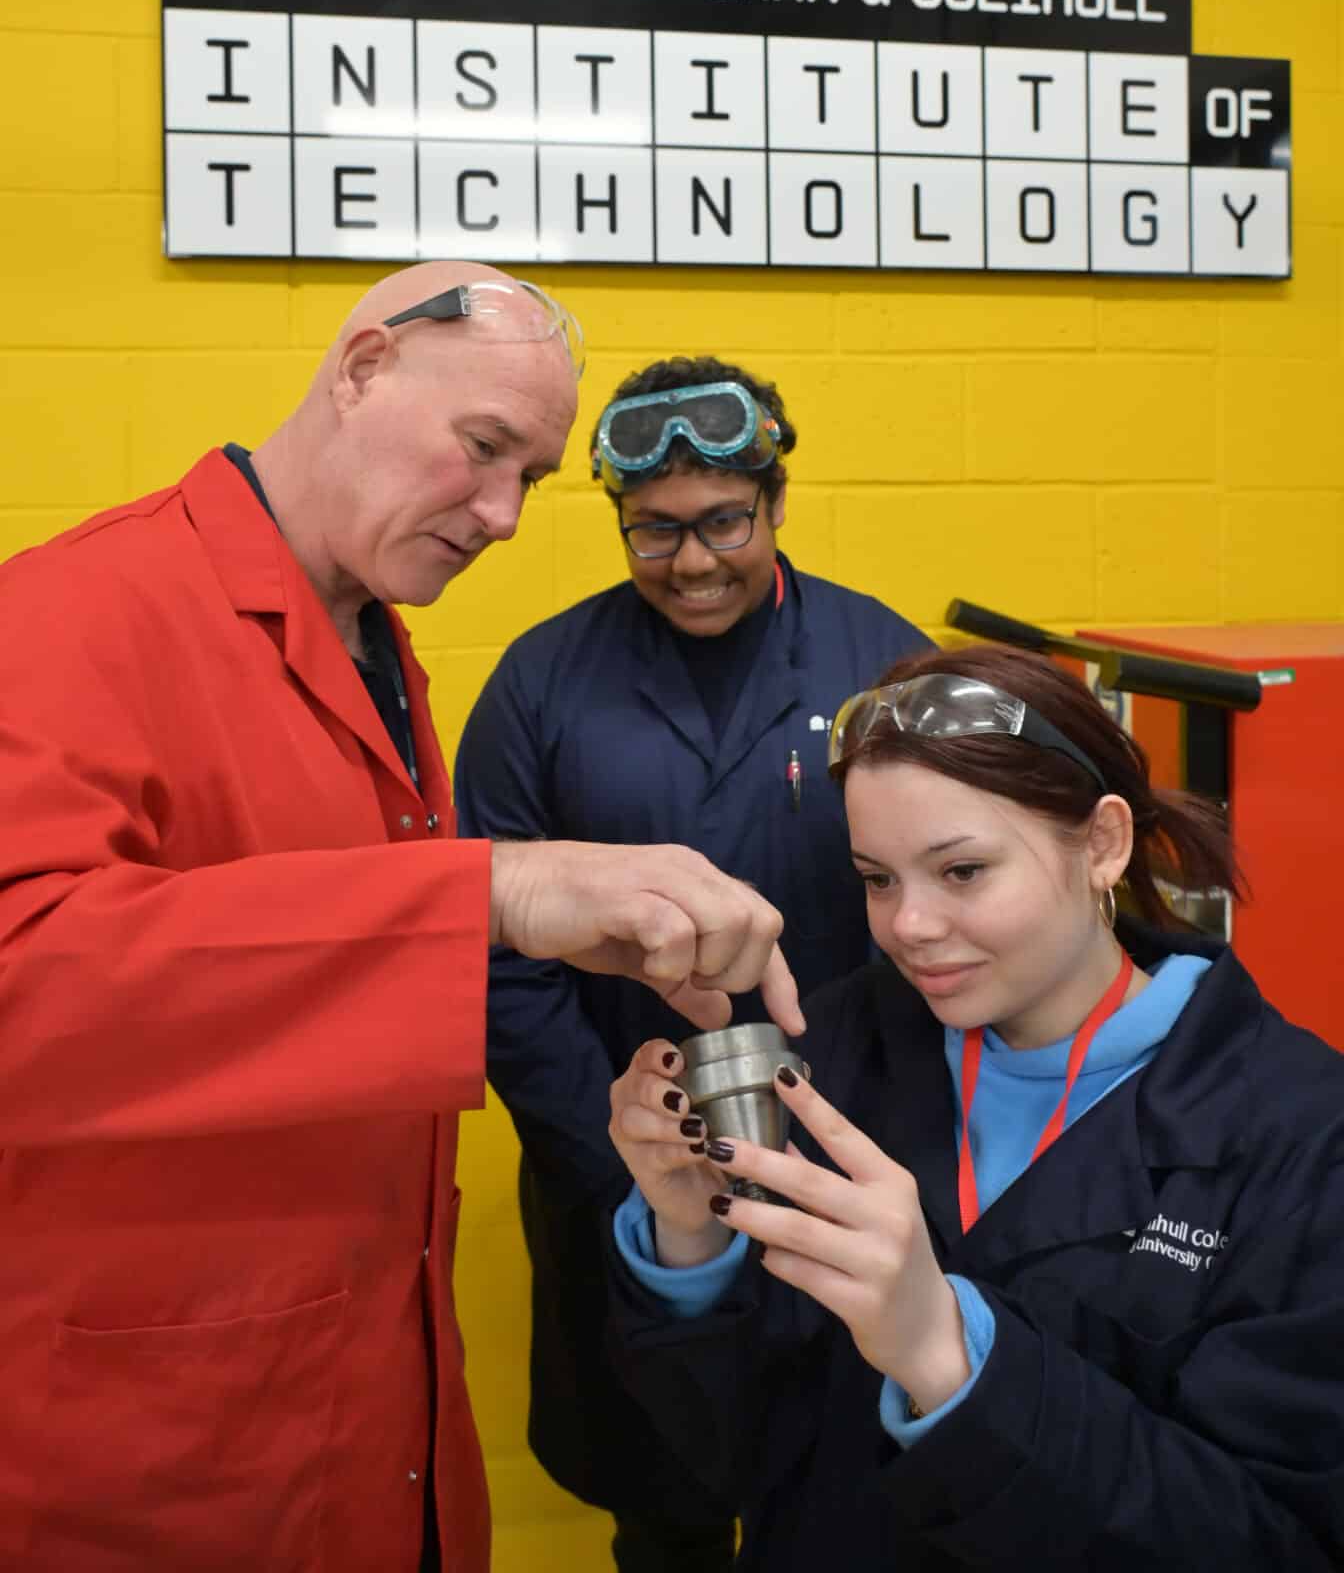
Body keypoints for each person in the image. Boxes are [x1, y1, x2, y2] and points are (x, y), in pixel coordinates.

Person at [0, 266, 802, 1573]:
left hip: (365, 1412)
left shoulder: (369, 643)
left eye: (531, 480)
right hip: (151, 1445)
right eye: (482, 448)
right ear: (363, 367)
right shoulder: (73, 612)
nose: (498, 516)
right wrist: (493, 894)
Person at [605, 643, 1344, 1571]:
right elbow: (726, 1462)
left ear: (1103, 844)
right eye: (878, 879)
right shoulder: (837, 1046)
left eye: (961, 872)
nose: (908, 926)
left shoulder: (1302, 1137)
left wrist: (950, 1356)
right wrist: (689, 1243)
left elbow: (1275, 1542)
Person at [453, 355, 926, 1572]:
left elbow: (945, 914)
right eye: (652, 531)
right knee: (660, 1493)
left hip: (847, 1161)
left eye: (725, 520)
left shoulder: (884, 664)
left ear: (775, 498)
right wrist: (611, 1154)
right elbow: (492, 957)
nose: (696, 559)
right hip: (615, 1172)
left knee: (850, 1489)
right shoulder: (538, 683)